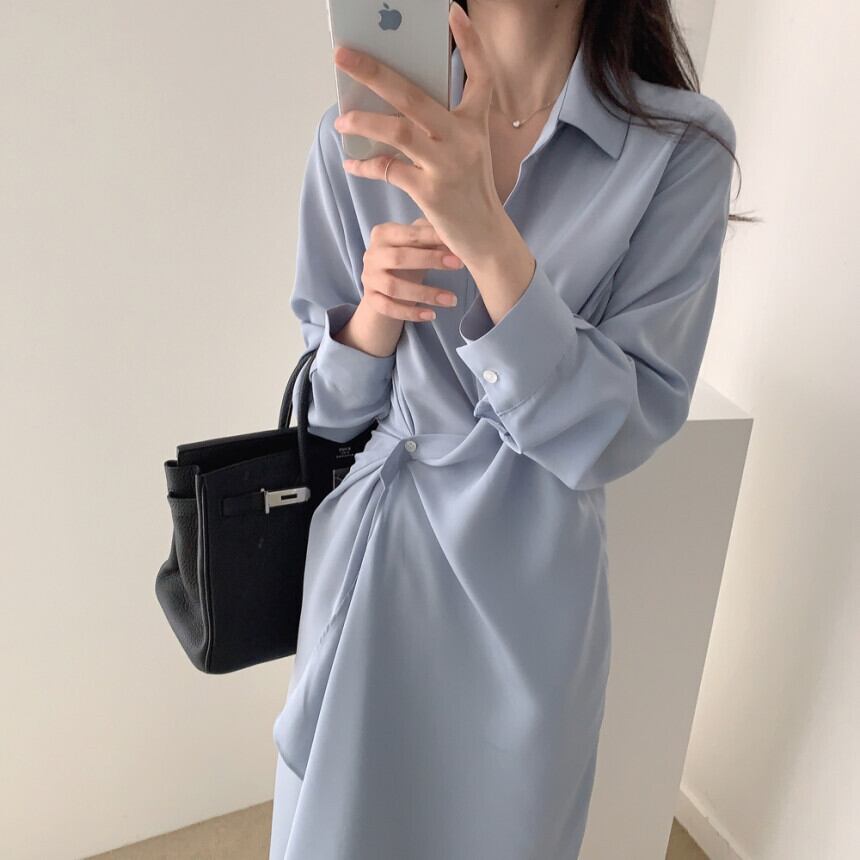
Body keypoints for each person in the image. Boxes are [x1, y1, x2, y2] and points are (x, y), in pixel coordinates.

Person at [269, 1, 738, 857]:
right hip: (375, 572)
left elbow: (618, 431)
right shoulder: (367, 124)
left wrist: (485, 232)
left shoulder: (680, 147)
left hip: (529, 605)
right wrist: (373, 315)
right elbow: (325, 415)